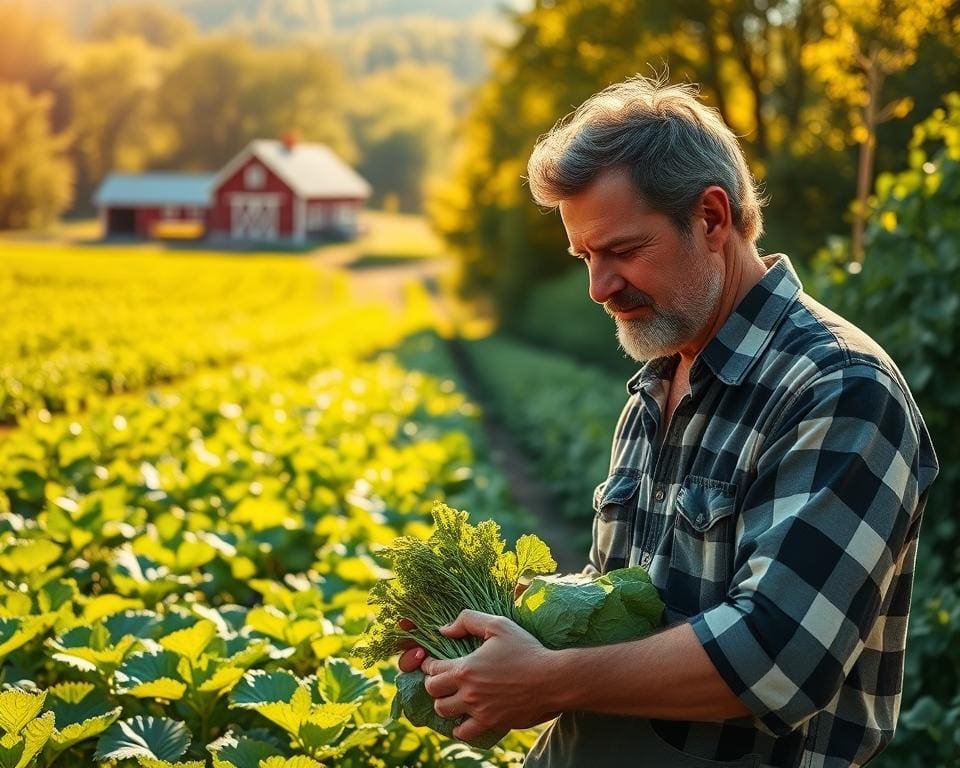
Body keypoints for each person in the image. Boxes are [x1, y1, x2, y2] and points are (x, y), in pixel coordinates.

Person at [398, 76, 939, 767]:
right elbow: (621, 614)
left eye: (622, 251)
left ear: (712, 219)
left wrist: (545, 680)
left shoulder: (839, 390)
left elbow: (777, 656)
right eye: (585, 257)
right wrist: (493, 645)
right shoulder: (655, 385)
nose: (599, 287)